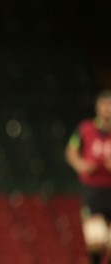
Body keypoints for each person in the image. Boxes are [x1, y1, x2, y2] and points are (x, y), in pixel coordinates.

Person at [65, 89, 111, 264]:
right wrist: (80, 165)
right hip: (93, 192)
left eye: (110, 106)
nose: (107, 110)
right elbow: (71, 150)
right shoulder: (85, 129)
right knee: (96, 239)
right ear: (97, 108)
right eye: (104, 106)